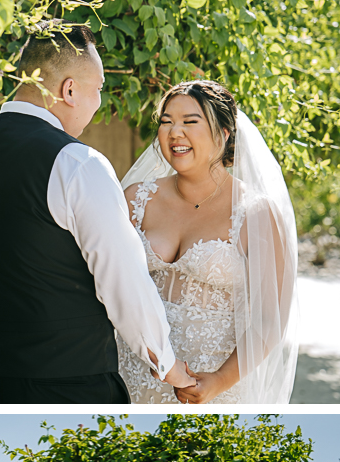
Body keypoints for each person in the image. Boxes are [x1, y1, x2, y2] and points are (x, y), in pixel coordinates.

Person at [0, 21, 194, 404]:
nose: (99, 103)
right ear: (69, 90)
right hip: (68, 384)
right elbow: (123, 283)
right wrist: (168, 366)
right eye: (97, 90)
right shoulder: (78, 164)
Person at [118, 80, 299, 405]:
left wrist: (217, 382)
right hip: (134, 377)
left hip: (214, 388)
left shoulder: (255, 213)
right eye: (166, 121)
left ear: (224, 133)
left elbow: (269, 321)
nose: (175, 132)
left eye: (190, 121)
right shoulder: (137, 199)